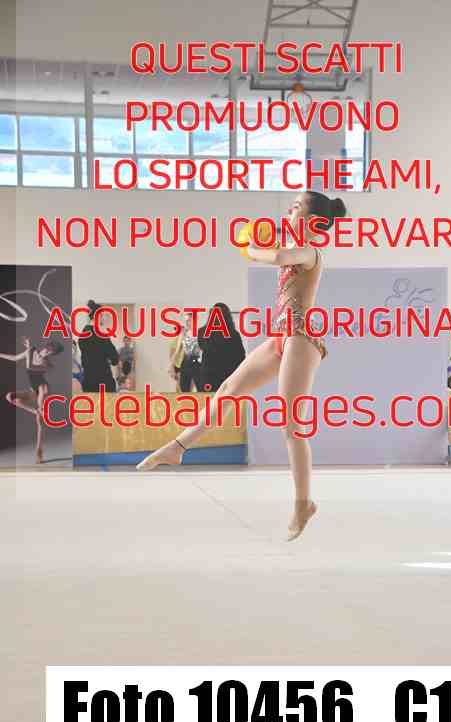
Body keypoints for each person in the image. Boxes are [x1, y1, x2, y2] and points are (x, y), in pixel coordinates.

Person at [137, 191, 347, 541]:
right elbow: (276, 247)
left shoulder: (308, 251)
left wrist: (250, 249)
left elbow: (278, 256)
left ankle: (303, 502)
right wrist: (258, 237)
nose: (289, 209)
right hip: (281, 336)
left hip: (301, 338)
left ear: (312, 221)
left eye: (296, 206)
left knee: (292, 425)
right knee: (228, 389)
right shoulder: (291, 243)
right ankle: (178, 447)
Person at [1, 336, 64, 463]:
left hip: (42, 389)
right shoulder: (31, 351)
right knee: (10, 396)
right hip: (32, 391)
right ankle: (35, 411)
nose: (47, 353)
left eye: (51, 353)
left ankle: (39, 451)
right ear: (46, 347)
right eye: (48, 350)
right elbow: (14, 358)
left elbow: (30, 367)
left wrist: (29, 350)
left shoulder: (47, 365)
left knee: (39, 421)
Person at [197, 302, 245, 391]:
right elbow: (241, 357)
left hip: (208, 377)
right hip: (228, 377)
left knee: (208, 399)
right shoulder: (234, 334)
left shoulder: (202, 332)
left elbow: (203, 348)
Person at [78, 301, 119, 392]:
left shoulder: (83, 335)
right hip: (103, 382)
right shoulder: (102, 336)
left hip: (88, 381)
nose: (104, 318)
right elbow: (115, 359)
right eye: (103, 315)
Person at [168, 312, 202, 392]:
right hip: (186, 362)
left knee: (200, 389)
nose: (187, 323)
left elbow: (204, 350)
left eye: (189, 320)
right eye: (186, 321)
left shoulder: (200, 333)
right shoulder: (183, 333)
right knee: (184, 389)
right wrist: (171, 366)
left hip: (197, 363)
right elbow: (177, 350)